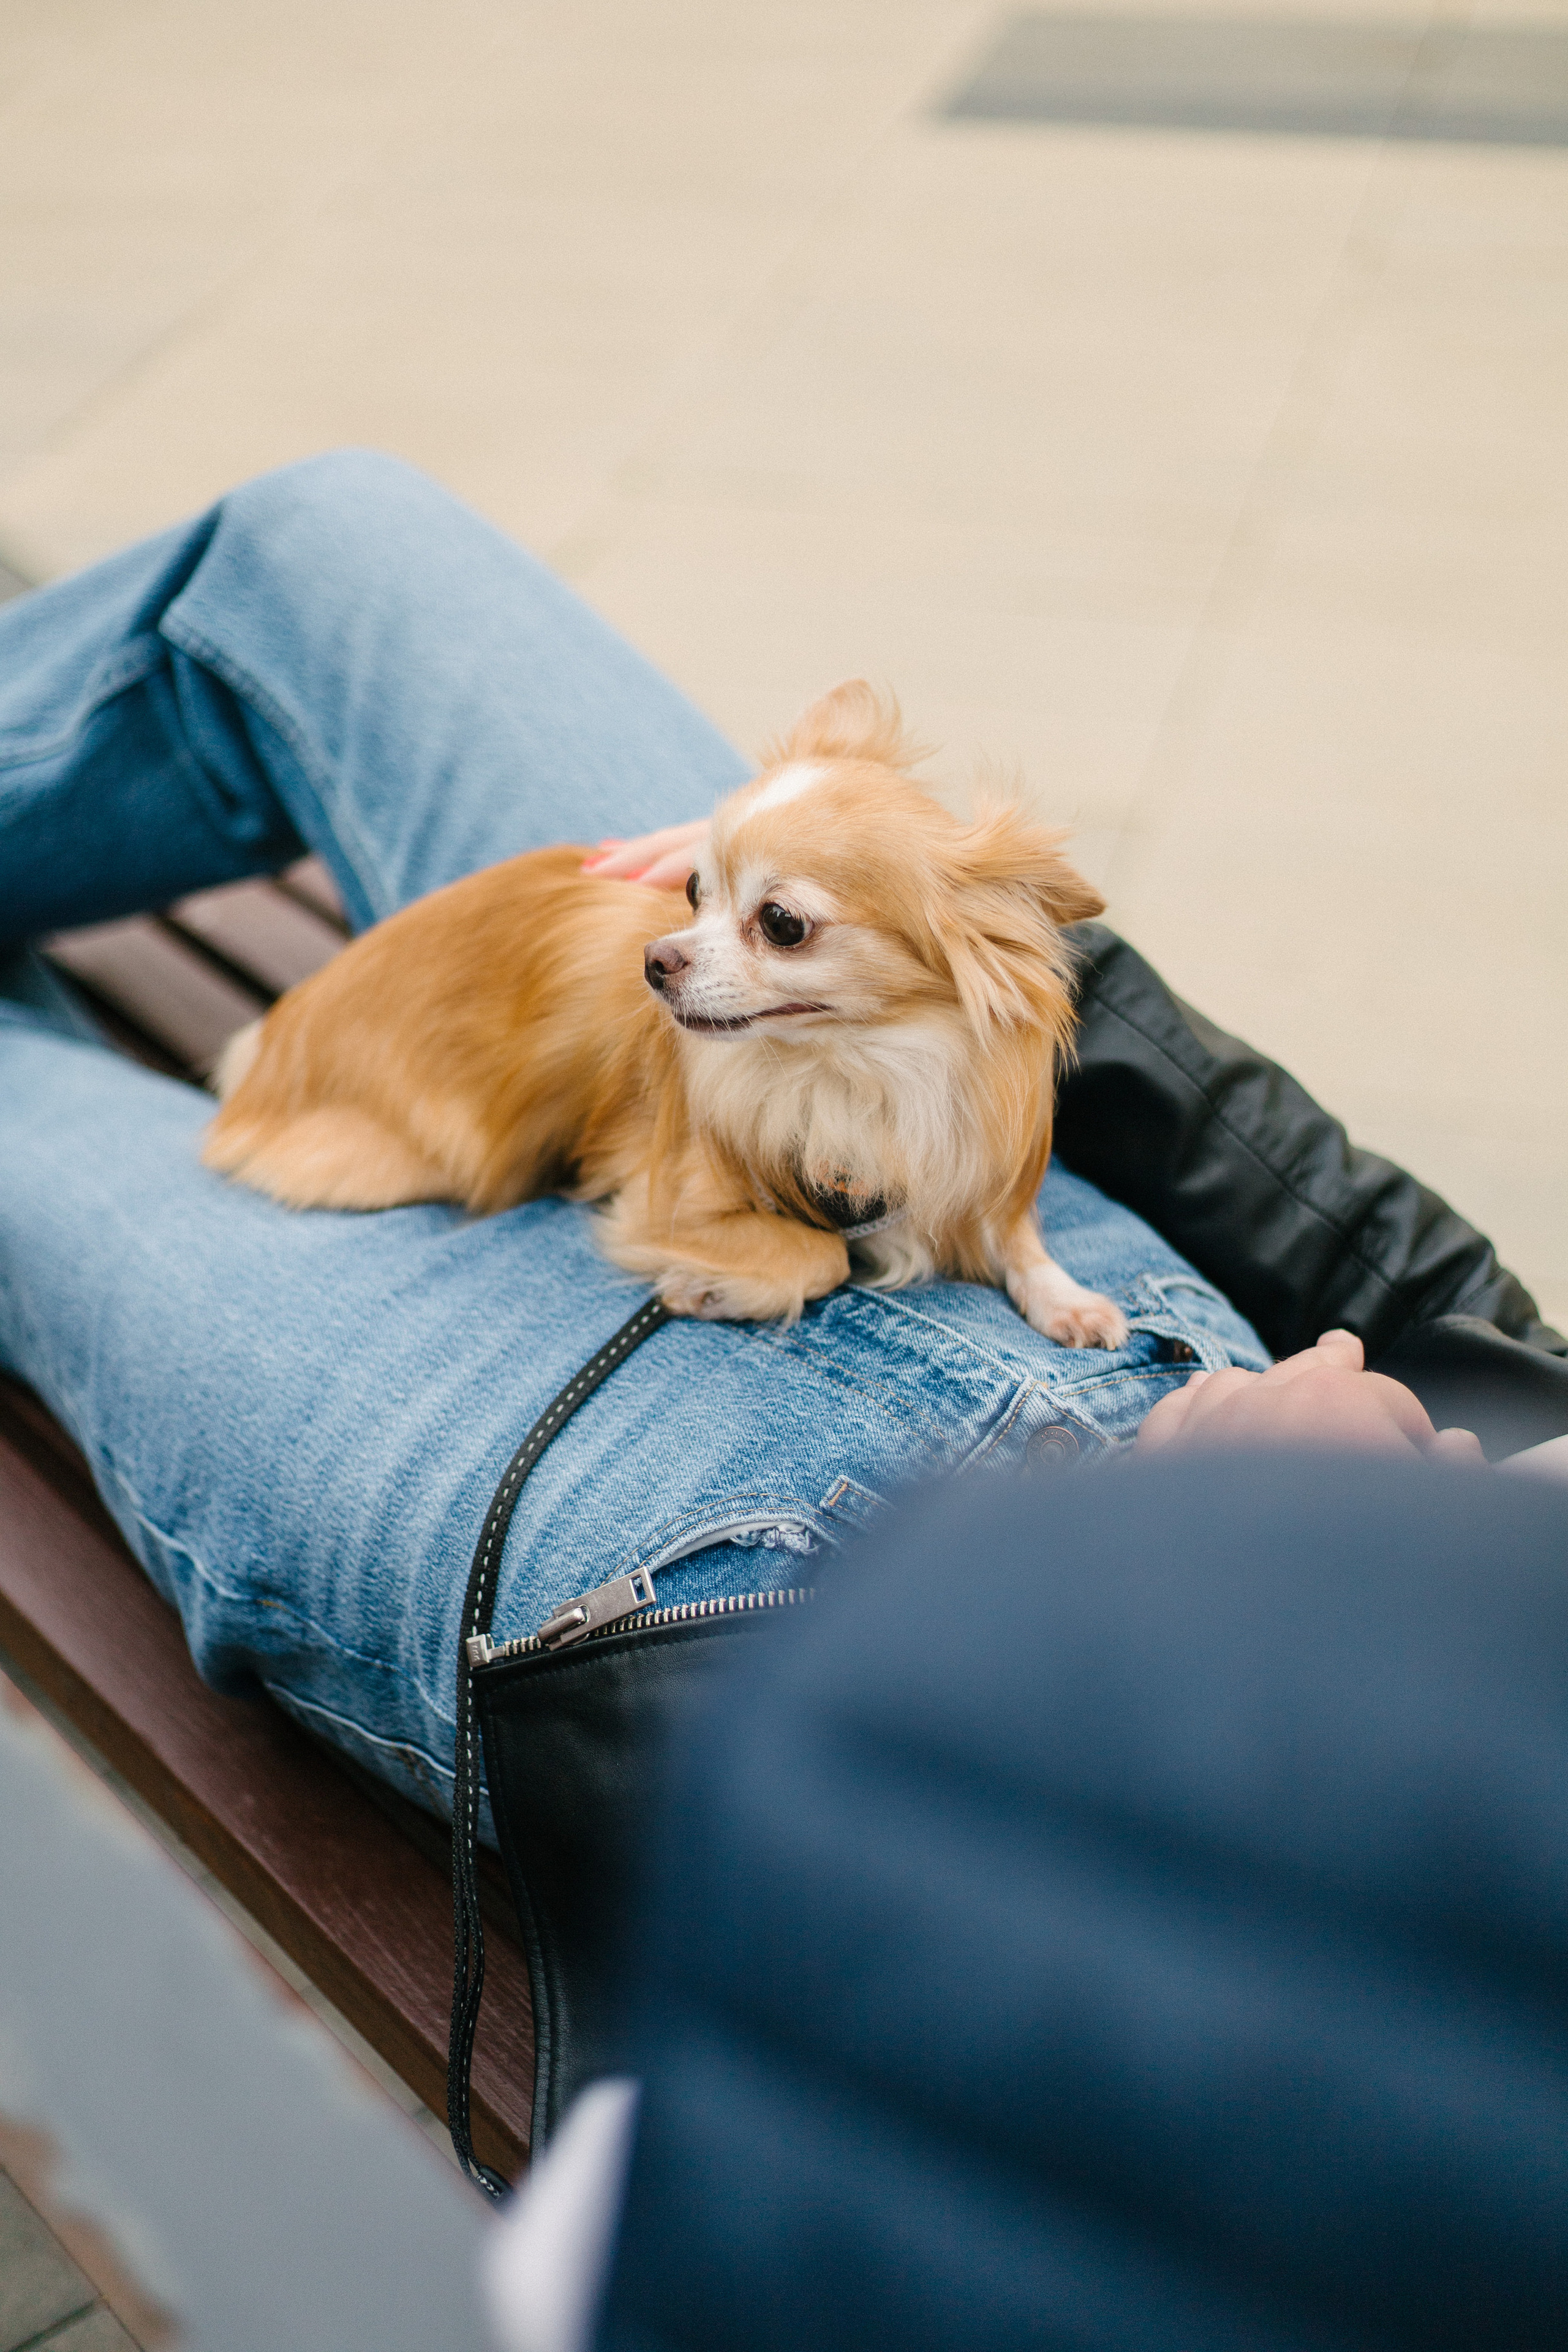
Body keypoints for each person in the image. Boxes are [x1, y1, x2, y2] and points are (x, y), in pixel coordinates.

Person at [0, 450, 1559, 1843]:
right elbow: (1468, 1320)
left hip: (799, 1584)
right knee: (318, 538)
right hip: (1131, 1310)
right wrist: (990, 953)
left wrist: (1267, 1584)